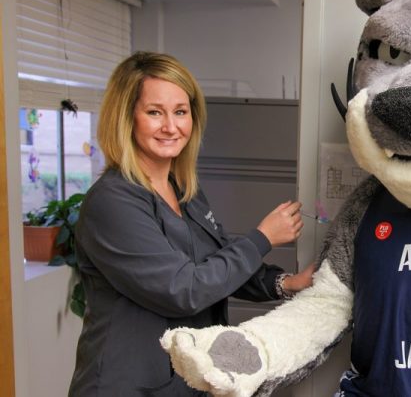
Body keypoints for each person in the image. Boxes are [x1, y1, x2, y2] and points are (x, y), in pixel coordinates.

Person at [68, 51, 313, 396]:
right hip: (126, 385)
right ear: (126, 118)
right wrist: (262, 238)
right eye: (155, 112)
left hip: (183, 381)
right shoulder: (112, 202)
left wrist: (284, 283)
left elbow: (216, 263)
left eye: (181, 112)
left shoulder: (184, 191)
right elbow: (184, 290)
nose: (171, 126)